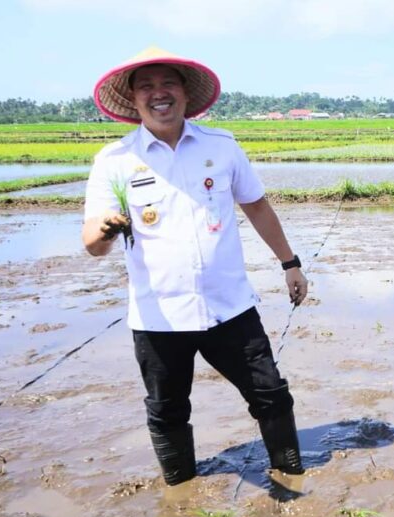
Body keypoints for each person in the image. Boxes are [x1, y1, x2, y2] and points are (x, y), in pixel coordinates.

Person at [82, 46, 308, 488]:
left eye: (168, 83)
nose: (158, 93)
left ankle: (291, 471)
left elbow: (257, 207)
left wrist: (290, 263)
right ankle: (180, 491)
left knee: (271, 394)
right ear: (133, 99)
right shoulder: (114, 161)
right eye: (146, 86)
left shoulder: (220, 146)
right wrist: (107, 229)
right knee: (167, 410)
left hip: (229, 308)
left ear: (185, 93)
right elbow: (92, 242)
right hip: (157, 316)